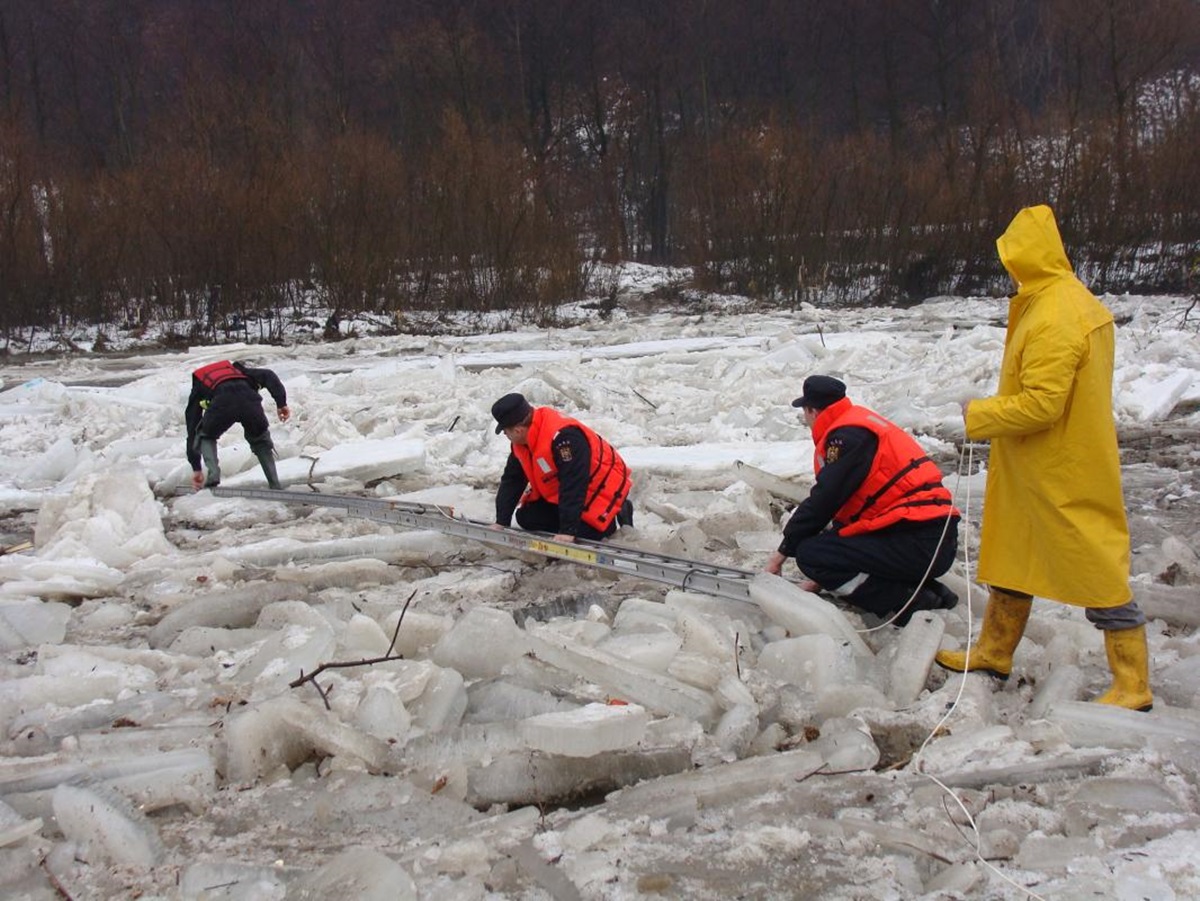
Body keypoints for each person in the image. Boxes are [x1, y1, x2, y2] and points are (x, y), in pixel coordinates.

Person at [934, 205, 1152, 711]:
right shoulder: (1059, 302)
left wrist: (979, 414)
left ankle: (1133, 684)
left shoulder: (1056, 314)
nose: (1008, 269)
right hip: (1039, 465)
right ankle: (994, 651)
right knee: (1015, 555)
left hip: (1060, 469)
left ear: (1028, 257)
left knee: (1097, 570)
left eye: (1011, 258)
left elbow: (1043, 405)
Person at [764, 375, 961, 626]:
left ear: (812, 411)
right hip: (931, 538)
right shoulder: (859, 425)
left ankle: (908, 602)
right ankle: (934, 593)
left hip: (919, 541)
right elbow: (853, 509)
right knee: (828, 548)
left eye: (805, 412)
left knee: (811, 554)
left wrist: (782, 553)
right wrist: (827, 576)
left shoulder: (847, 438)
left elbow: (825, 499)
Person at [491, 393, 633, 542]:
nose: (506, 435)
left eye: (505, 432)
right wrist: (501, 522)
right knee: (526, 517)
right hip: (567, 494)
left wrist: (567, 531)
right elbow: (512, 480)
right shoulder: (523, 443)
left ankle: (615, 513)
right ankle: (575, 523)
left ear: (518, 430)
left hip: (598, 491)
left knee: (589, 533)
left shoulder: (565, 438)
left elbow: (574, 483)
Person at [185, 360, 290, 491]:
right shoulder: (240, 372)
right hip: (250, 402)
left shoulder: (200, 384)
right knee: (261, 440)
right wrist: (281, 404)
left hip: (222, 404)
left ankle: (213, 475)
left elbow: (192, 426)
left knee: (205, 435)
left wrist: (196, 468)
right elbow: (269, 375)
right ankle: (275, 484)